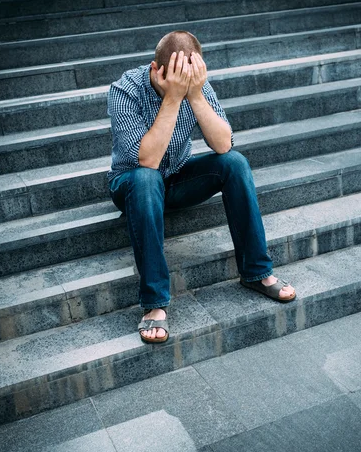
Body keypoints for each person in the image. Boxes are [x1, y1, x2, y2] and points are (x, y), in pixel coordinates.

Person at [108, 30, 296, 344]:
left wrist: (193, 94)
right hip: (131, 185)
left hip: (179, 179)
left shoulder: (197, 84)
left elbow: (224, 143)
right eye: (177, 80)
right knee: (145, 178)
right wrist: (172, 98)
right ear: (156, 71)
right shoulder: (125, 89)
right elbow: (148, 161)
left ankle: (257, 272)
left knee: (234, 162)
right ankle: (154, 305)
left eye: (191, 78)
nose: (184, 84)